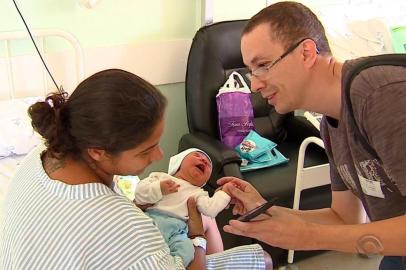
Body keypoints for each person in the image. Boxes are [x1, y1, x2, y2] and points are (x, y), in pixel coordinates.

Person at [0, 69, 272, 269]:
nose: (160, 155)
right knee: (263, 260)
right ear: (98, 151)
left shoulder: (41, 156)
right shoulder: (123, 225)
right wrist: (197, 234)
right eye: (145, 150)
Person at [216, 2, 406, 270]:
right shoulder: (332, 121)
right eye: (251, 71)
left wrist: (307, 236)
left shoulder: (381, 95)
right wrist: (267, 210)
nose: (255, 84)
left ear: (306, 53)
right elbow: (345, 218)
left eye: (263, 65)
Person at [134, 148, 231, 267]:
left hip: (179, 230)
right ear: (179, 162)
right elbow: (140, 193)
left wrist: (224, 194)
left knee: (187, 250)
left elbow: (210, 209)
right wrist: (159, 188)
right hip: (152, 219)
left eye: (209, 165)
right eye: (197, 155)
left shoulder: (198, 193)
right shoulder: (161, 177)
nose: (204, 161)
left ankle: (175, 265)